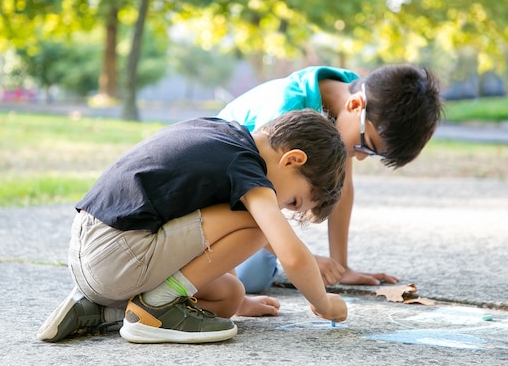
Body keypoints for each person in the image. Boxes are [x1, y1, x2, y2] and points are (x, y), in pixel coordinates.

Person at [37, 109, 348, 344]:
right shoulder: (246, 167)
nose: (280, 208)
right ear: (292, 160)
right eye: (292, 202)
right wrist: (323, 303)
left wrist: (241, 302)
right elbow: (290, 254)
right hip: (117, 256)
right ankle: (155, 308)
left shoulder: (221, 134)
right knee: (260, 226)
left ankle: (99, 310)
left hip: (90, 250)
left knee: (228, 296)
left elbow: (205, 231)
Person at [217, 64, 443, 304]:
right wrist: (306, 259)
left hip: (251, 202)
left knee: (260, 267)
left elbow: (343, 188)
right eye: (366, 146)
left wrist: (341, 266)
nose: (362, 156)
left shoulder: (357, 100)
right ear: (356, 106)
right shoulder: (285, 110)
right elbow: (256, 202)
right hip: (218, 199)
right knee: (250, 278)